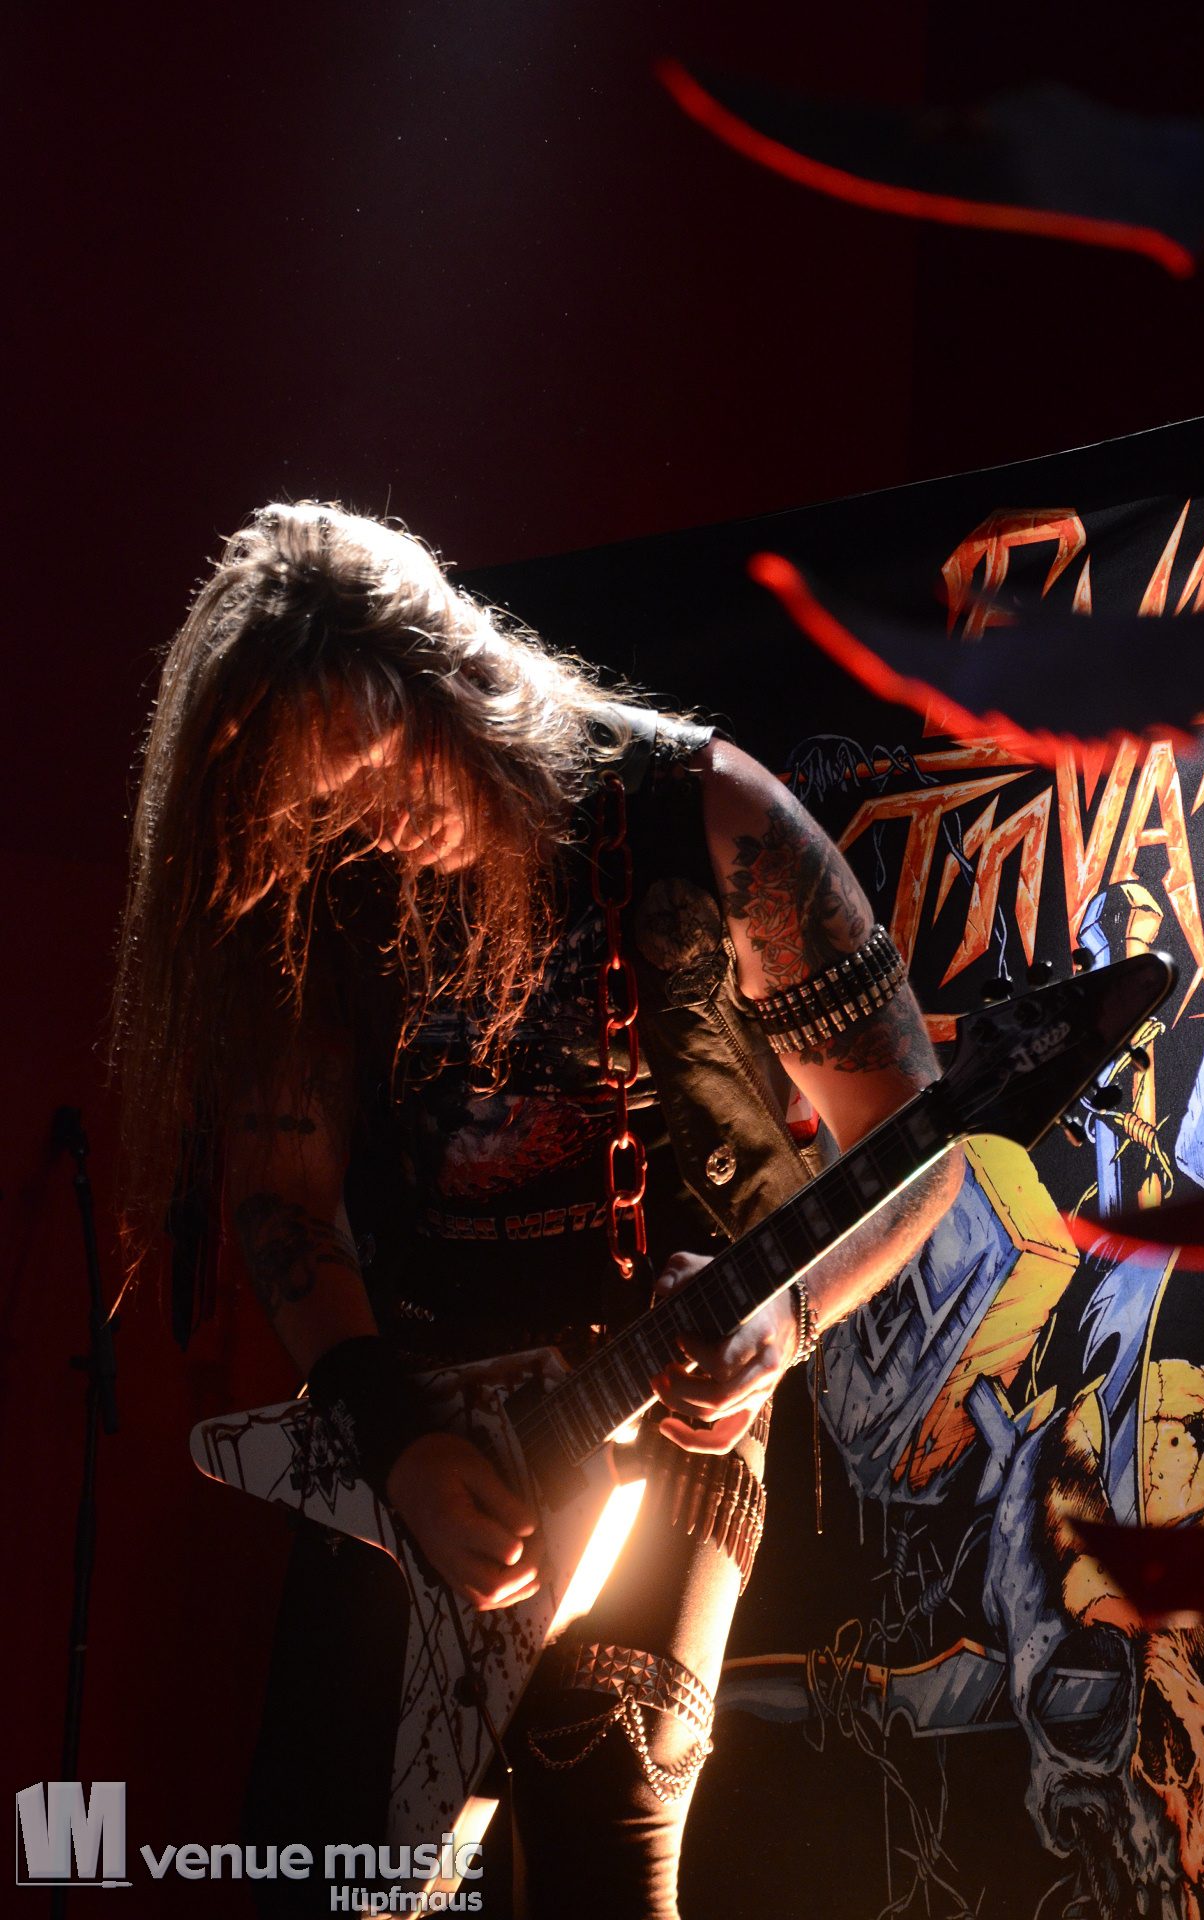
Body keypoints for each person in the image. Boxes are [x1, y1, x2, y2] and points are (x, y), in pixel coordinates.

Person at [111, 501, 960, 1919]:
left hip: (661, 1410)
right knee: (331, 1869)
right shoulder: (317, 886)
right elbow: (285, 1197)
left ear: (455, 679)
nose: (376, 820)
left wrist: (786, 1320)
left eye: (386, 763)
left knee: (602, 1837)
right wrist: (397, 1439)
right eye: (327, 803)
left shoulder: (700, 811)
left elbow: (917, 1144)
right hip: (413, 1414)